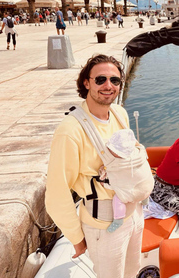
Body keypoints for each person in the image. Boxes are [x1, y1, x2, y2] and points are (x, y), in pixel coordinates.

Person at [45, 54, 144, 278]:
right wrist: (76, 238)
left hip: (134, 213)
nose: (108, 86)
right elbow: (57, 193)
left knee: (132, 272)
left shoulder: (120, 114)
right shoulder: (70, 131)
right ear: (86, 83)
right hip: (103, 224)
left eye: (115, 80)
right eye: (100, 79)